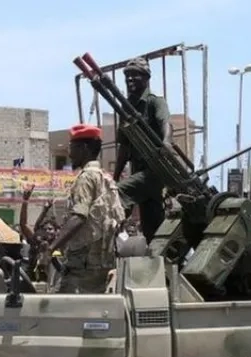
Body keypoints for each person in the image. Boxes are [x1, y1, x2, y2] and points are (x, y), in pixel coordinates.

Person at [47, 124, 125, 293]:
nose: (69, 153)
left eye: (72, 148)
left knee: (63, 311)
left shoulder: (86, 178)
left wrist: (51, 248)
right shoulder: (105, 178)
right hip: (103, 261)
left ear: (83, 148)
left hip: (82, 263)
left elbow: (79, 217)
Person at [114, 56, 172, 243]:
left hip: (155, 169)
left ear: (146, 78)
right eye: (127, 76)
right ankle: (159, 261)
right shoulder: (126, 107)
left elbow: (166, 123)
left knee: (117, 194)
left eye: (135, 75)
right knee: (152, 227)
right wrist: (114, 176)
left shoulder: (155, 102)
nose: (130, 79)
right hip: (139, 170)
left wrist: (166, 142)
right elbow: (124, 145)